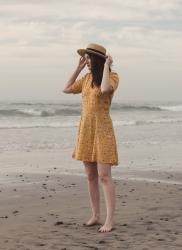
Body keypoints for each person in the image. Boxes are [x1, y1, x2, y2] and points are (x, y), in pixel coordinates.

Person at [62, 43, 119, 233]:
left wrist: (105, 67)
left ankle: (109, 220)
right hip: (86, 130)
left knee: (104, 176)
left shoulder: (112, 77)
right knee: (90, 176)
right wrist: (77, 68)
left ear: (98, 60)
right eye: (85, 58)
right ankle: (95, 215)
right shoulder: (85, 79)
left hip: (102, 131)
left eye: (88, 58)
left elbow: (104, 90)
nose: (86, 61)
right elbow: (67, 88)